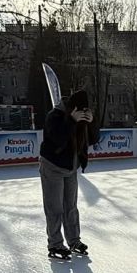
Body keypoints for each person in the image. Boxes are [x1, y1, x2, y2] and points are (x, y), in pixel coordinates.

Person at [39, 88, 98, 260]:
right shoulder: (54, 116)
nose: (83, 113)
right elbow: (59, 139)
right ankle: (55, 243)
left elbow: (93, 140)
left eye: (86, 111)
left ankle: (74, 241)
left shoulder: (82, 117)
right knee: (55, 208)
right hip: (52, 166)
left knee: (71, 208)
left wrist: (92, 122)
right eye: (81, 110)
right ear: (73, 108)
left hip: (71, 168)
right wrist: (72, 120)